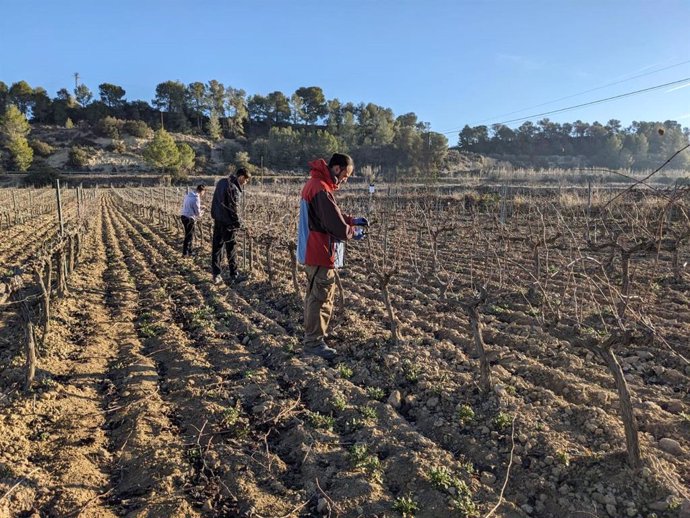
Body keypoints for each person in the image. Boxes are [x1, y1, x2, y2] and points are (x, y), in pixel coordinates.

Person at [296, 153, 369, 360]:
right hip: (319, 251)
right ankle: (314, 344)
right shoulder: (320, 187)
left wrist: (352, 220)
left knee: (314, 297)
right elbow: (334, 224)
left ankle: (313, 339)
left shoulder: (316, 184)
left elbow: (330, 215)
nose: (346, 179)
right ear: (336, 169)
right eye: (346, 175)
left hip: (314, 251)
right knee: (321, 298)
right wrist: (352, 232)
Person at [210, 168, 251, 284]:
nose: (245, 183)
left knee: (217, 248)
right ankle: (234, 275)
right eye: (246, 180)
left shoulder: (222, 182)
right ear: (242, 177)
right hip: (228, 223)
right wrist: (239, 224)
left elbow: (215, 201)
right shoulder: (234, 189)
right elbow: (234, 210)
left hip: (218, 219)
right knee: (231, 248)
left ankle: (216, 274)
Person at [179, 184, 206, 256]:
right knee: (189, 236)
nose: (203, 194)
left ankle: (189, 251)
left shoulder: (188, 195)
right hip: (189, 218)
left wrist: (200, 206)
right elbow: (197, 213)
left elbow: (191, 204)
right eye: (204, 192)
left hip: (183, 216)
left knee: (189, 235)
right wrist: (202, 212)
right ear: (202, 191)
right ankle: (185, 253)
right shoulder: (197, 198)